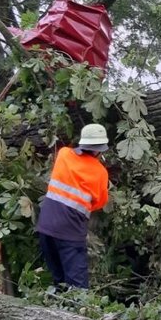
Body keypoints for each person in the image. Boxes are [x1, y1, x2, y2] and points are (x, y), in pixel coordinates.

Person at [36, 123, 110, 289]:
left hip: (46, 227)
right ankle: (78, 314)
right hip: (70, 233)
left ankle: (58, 311)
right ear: (99, 149)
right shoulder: (100, 173)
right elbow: (99, 202)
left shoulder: (63, 154)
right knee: (77, 287)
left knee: (59, 280)